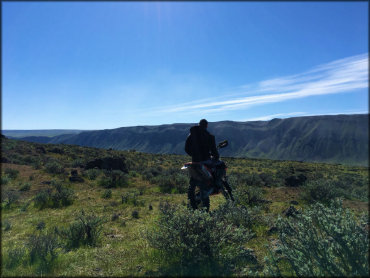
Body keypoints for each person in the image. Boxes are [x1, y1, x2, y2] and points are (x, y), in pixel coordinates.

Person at [185, 119, 219, 211]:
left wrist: (194, 155)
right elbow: (214, 150)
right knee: (216, 169)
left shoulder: (191, 135)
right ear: (206, 126)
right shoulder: (209, 136)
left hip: (195, 161)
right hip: (206, 161)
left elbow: (186, 148)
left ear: (199, 124)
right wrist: (216, 157)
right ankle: (214, 187)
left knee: (194, 178)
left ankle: (193, 201)